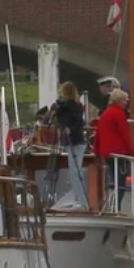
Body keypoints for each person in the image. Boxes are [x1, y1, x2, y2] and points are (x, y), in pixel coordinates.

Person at [94, 89, 134, 207]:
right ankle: (116, 207)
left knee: (116, 179)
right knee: (121, 182)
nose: (126, 102)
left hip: (107, 153)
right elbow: (125, 134)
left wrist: (96, 151)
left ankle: (113, 206)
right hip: (118, 152)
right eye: (124, 100)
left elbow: (98, 133)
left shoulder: (105, 113)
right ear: (118, 101)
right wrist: (133, 152)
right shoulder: (118, 113)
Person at [53, 81, 89, 209]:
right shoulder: (70, 106)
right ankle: (78, 198)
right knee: (73, 171)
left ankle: (82, 201)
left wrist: (70, 129)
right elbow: (60, 120)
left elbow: (80, 122)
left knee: (75, 171)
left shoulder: (73, 106)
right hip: (72, 141)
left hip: (75, 141)